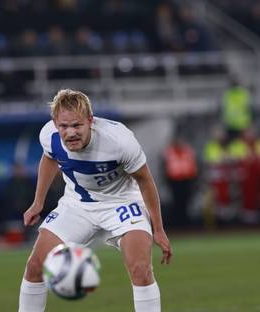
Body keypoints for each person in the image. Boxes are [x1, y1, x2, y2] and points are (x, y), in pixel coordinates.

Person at [18, 89, 172, 312]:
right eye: (63, 126)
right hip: (77, 205)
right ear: (55, 123)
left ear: (90, 121)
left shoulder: (120, 141)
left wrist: (158, 229)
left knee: (140, 269)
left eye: (77, 125)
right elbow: (49, 158)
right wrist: (38, 202)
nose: (70, 132)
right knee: (35, 266)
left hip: (122, 203)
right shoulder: (48, 135)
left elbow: (145, 180)